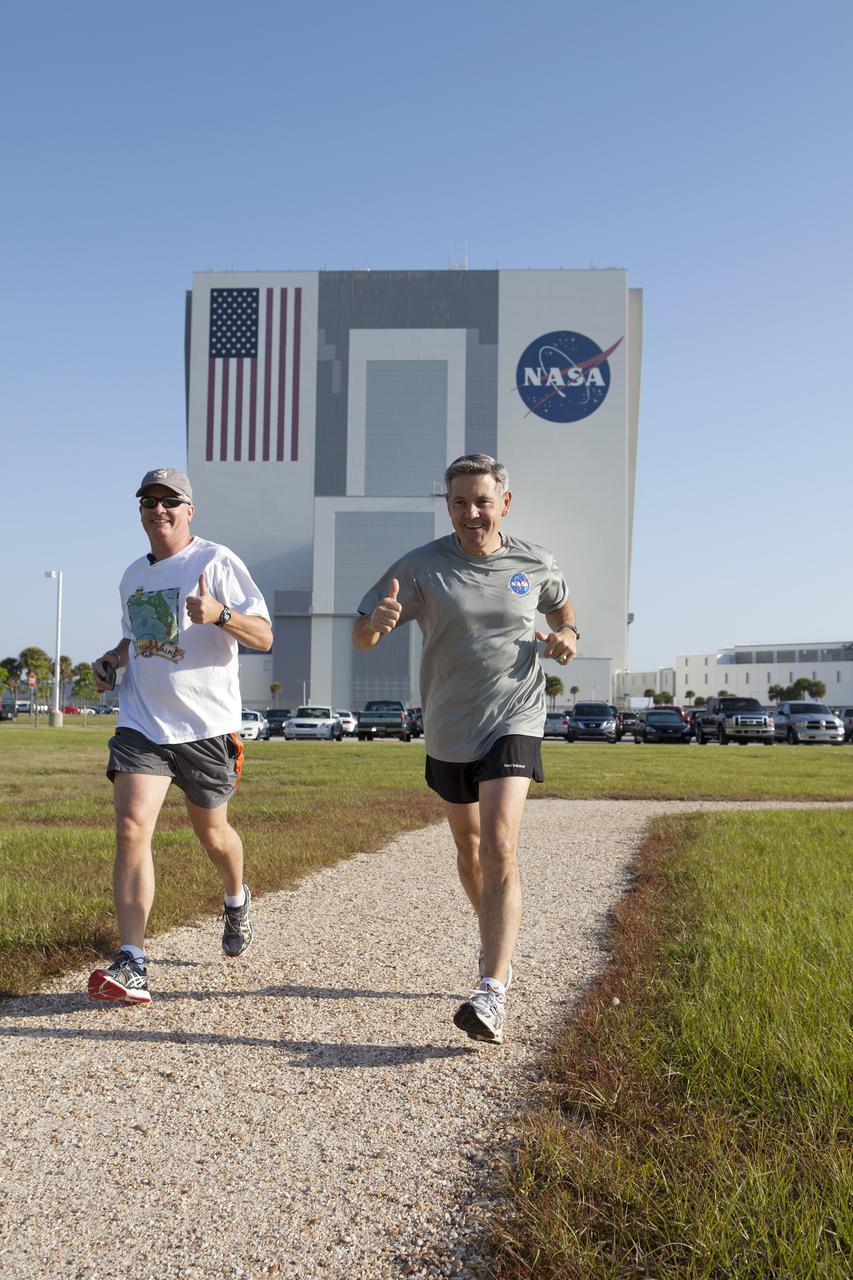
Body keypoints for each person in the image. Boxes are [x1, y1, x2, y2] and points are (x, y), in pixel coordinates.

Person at [353, 453, 577, 1044]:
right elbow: (363, 634)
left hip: (517, 713)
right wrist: (376, 622)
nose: (471, 512)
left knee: (501, 841)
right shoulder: (422, 567)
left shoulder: (534, 561)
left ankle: (493, 989)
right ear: (448, 506)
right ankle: (493, 937)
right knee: (470, 846)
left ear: (505, 502)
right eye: (459, 502)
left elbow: (561, 606)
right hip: (450, 726)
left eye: (482, 501)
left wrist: (566, 636)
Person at [88, 468, 273, 1004]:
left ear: (190, 509)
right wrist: (110, 660)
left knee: (212, 833)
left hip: (207, 728)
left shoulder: (215, 561)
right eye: (148, 501)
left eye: (170, 501)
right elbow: (133, 638)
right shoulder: (132, 576)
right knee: (129, 827)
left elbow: (262, 633)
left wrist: (220, 615)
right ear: (140, 511)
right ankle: (133, 961)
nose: (158, 509)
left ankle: (236, 898)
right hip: (142, 722)